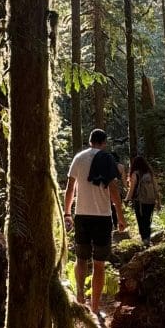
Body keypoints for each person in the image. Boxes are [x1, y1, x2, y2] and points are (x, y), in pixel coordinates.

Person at [64, 129, 127, 314]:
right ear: (104, 143)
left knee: (80, 258)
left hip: (82, 215)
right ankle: (95, 307)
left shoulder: (79, 158)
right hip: (103, 217)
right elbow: (114, 190)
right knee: (99, 263)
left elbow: (70, 189)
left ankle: (80, 295)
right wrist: (121, 217)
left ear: (90, 141)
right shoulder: (107, 159)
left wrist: (67, 213)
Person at [126, 155, 160, 247]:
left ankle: (144, 240)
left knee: (141, 220)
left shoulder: (135, 174)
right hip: (151, 200)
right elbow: (156, 188)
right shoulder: (150, 173)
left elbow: (132, 189)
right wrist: (158, 201)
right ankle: (147, 239)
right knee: (148, 220)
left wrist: (127, 199)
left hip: (140, 201)